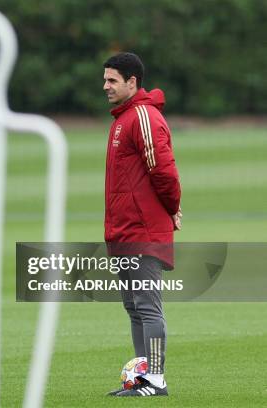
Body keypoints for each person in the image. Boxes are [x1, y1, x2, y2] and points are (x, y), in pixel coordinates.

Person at [101, 52, 182, 397]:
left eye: (112, 80)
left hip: (143, 231)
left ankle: (157, 379)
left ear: (132, 82)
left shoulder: (143, 117)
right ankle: (142, 379)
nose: (105, 86)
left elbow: (163, 171)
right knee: (134, 306)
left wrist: (173, 208)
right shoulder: (122, 118)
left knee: (147, 306)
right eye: (105, 79)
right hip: (123, 231)